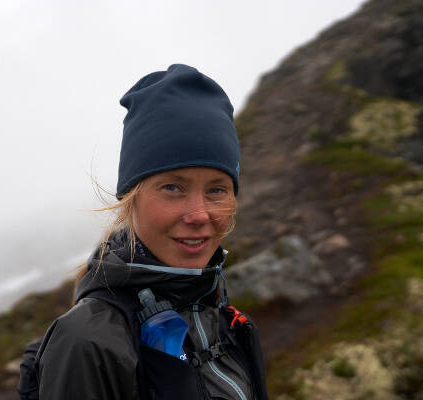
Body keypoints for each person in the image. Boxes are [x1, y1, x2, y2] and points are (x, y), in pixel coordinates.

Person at [19, 64, 268, 400]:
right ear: (131, 199)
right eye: (172, 187)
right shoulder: (88, 343)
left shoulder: (216, 309)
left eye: (217, 190)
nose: (199, 215)